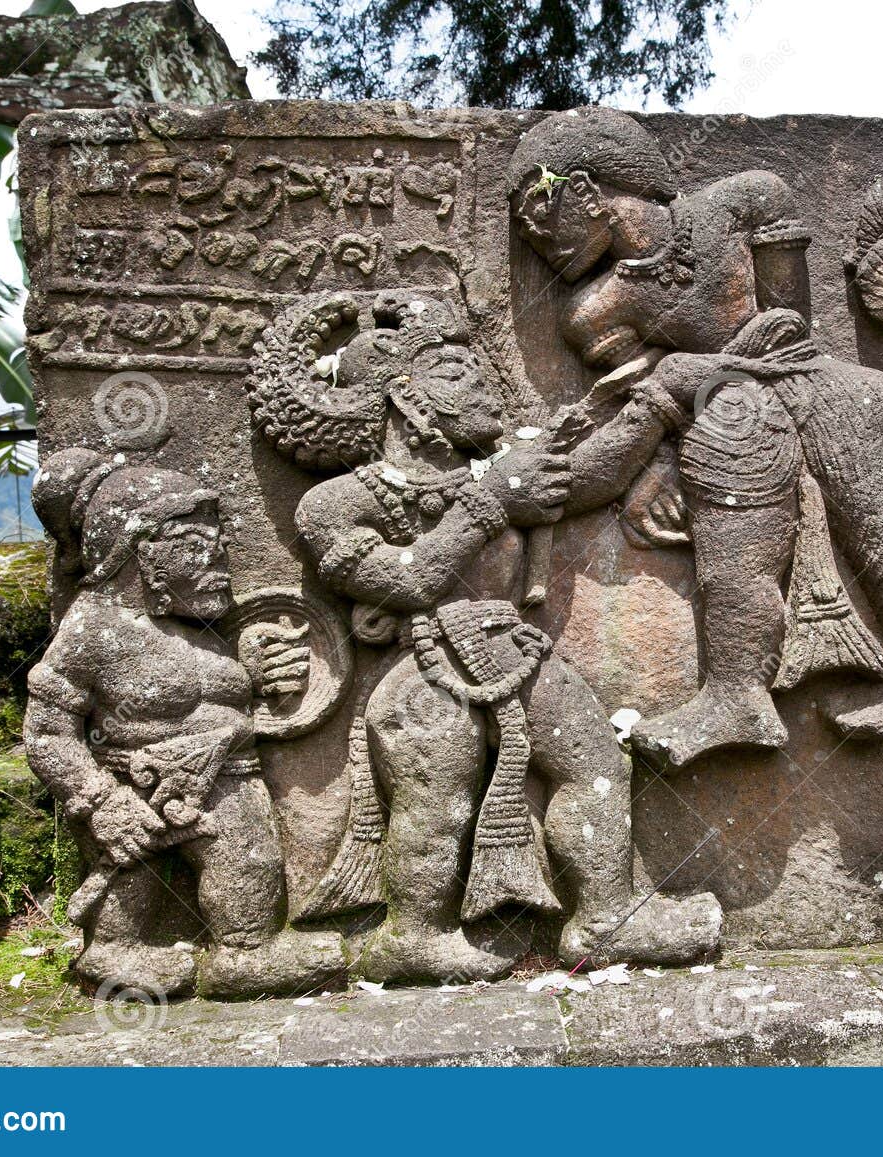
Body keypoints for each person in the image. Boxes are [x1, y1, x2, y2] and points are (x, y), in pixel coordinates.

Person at [248, 292, 721, 981]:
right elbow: (409, 581)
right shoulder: (336, 502)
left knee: (595, 761)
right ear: (406, 402)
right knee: (439, 800)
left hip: (512, 651)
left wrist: (657, 403)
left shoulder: (504, 468)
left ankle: (605, 918)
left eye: (478, 366)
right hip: (424, 670)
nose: (481, 383)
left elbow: (596, 473)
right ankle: (413, 934)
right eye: (453, 371)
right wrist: (492, 500)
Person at [507, 108, 883, 768]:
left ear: (586, 193)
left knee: (857, 408)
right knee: (734, 434)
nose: (542, 247)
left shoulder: (747, 202)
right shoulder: (591, 311)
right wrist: (665, 457)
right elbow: (639, 392)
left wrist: (688, 373)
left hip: (802, 377)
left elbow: (790, 327)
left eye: (543, 218)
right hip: (718, 419)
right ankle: (739, 693)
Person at [25, 448, 336, 996]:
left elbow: (220, 698)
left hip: (229, 784)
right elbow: (48, 731)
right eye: (195, 547)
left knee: (251, 874)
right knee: (131, 881)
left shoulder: (201, 626)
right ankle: (115, 951)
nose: (219, 564)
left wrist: (256, 675)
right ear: (139, 553)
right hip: (135, 792)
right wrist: (100, 801)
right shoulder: (95, 628)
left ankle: (245, 953)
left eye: (219, 547)